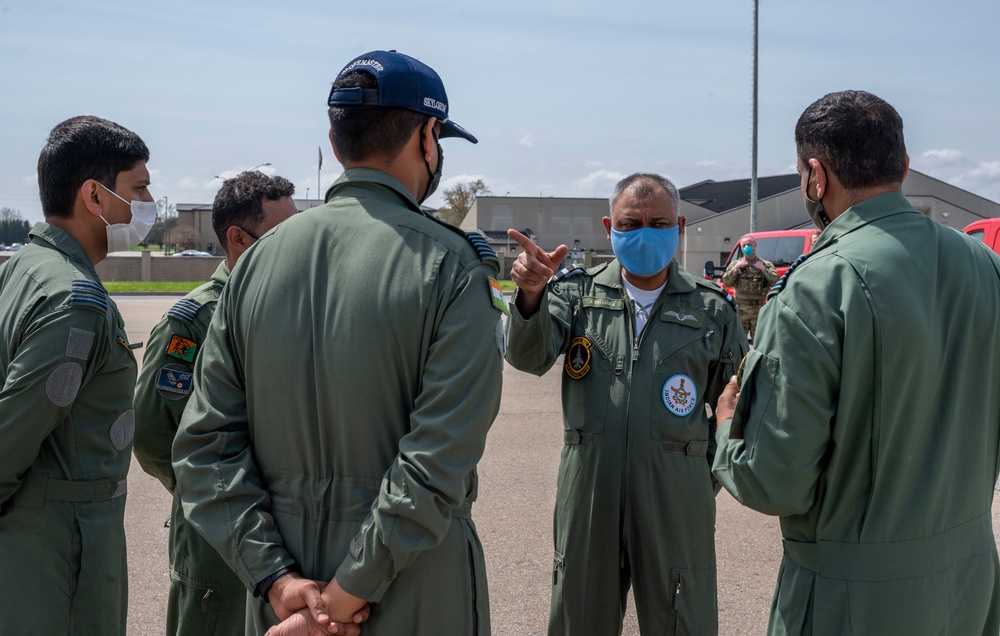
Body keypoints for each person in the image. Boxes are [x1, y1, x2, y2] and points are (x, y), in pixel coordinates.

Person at [172, 49, 505, 636]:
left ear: (333, 136)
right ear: (428, 136)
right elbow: (437, 460)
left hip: (285, 599)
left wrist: (278, 581)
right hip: (411, 589)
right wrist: (349, 593)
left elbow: (204, 447)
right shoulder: (450, 266)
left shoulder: (254, 265)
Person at [713, 90, 1000, 634]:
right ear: (904, 166)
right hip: (969, 583)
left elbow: (775, 480)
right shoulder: (985, 264)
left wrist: (728, 429)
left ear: (815, 177)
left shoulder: (819, 285)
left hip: (853, 602)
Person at [505, 173, 748, 636]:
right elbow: (528, 357)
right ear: (608, 226)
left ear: (678, 227)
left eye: (657, 223)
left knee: (682, 616)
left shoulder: (711, 308)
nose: (644, 233)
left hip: (675, 492)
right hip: (590, 486)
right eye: (630, 222)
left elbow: (734, 405)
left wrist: (699, 472)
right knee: (580, 613)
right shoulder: (575, 294)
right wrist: (533, 294)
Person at [0, 115, 154, 634]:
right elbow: (8, 441)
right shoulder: (73, 302)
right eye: (138, 189)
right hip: (61, 559)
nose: (147, 204)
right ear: (95, 195)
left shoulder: (19, 271)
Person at [133, 171, 298, 636]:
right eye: (283, 236)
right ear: (238, 239)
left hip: (288, 528)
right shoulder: (193, 322)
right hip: (216, 532)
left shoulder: (294, 309)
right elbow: (151, 434)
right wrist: (208, 492)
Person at [721, 235, 777, 340]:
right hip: (741, 308)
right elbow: (726, 282)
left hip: (759, 309)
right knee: (738, 341)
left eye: (749, 245)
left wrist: (764, 270)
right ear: (741, 248)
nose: (747, 247)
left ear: (755, 246)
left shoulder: (765, 264)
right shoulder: (736, 264)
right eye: (744, 245)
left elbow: (775, 281)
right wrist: (736, 269)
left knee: (760, 341)